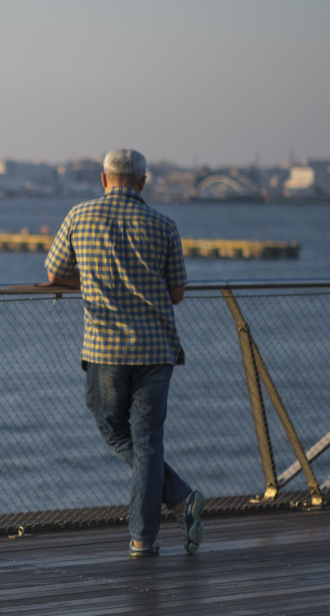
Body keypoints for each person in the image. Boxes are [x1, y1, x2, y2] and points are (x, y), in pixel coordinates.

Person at [44, 148, 204, 558]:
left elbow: (55, 273)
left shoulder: (79, 217)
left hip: (105, 347)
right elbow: (177, 293)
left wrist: (94, 278)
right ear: (143, 182)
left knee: (113, 429)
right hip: (156, 348)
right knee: (149, 442)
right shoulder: (164, 224)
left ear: (103, 180)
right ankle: (145, 537)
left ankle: (178, 502)